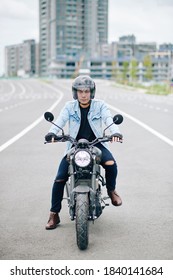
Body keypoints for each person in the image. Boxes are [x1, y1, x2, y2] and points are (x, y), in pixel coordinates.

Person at [45, 75, 123, 230]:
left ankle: (111, 190)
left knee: (111, 163)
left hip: (96, 144)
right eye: (80, 91)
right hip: (74, 146)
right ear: (75, 93)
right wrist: (51, 133)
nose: (83, 94)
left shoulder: (100, 106)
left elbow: (108, 119)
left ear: (92, 92)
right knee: (60, 178)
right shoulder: (69, 107)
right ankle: (54, 214)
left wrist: (115, 133)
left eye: (87, 91)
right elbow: (60, 121)